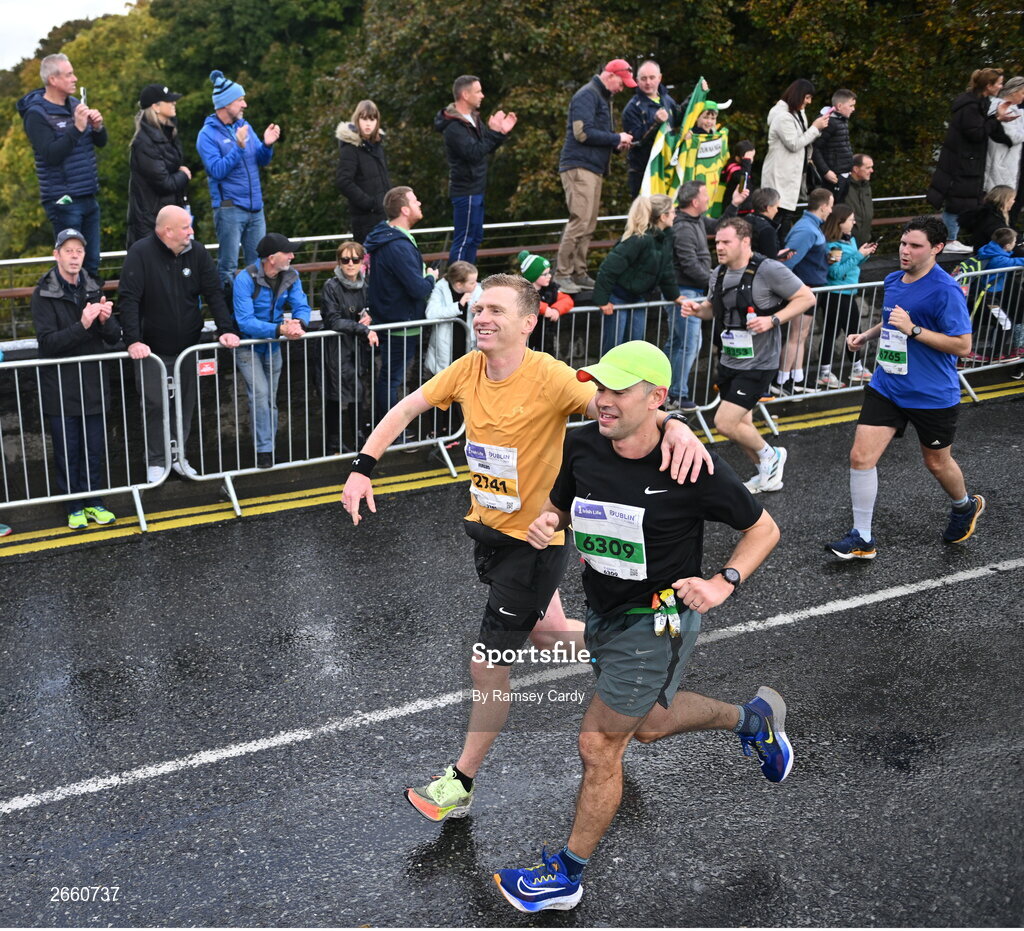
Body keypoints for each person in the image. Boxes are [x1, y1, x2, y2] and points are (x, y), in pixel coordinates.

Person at [341, 273, 710, 826]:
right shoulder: (468, 368)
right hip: (488, 535)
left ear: (527, 322)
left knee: (487, 664)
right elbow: (407, 408)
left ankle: (460, 781)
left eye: (493, 310)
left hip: (534, 543)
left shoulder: (551, 378)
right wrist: (362, 468)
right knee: (547, 636)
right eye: (476, 307)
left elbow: (617, 411)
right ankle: (633, 643)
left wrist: (673, 423)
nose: (480, 316)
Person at [493, 341, 785, 914]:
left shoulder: (692, 466)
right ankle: (752, 721)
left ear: (656, 399)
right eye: (599, 388)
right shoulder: (581, 445)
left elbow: (765, 529)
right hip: (603, 608)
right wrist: (546, 522)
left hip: (659, 619)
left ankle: (567, 876)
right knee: (648, 725)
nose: (602, 401)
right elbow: (560, 504)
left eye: (616, 391)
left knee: (599, 744)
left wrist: (723, 581)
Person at [827, 216, 982, 559]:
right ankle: (862, 538)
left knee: (937, 463)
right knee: (860, 457)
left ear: (937, 249)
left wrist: (913, 330)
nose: (905, 251)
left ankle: (963, 505)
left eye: (915, 246)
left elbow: (962, 346)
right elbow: (892, 317)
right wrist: (866, 336)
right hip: (888, 385)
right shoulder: (893, 279)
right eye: (902, 244)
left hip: (931, 394)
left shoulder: (946, 290)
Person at [681, 217, 815, 493]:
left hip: (760, 362)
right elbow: (712, 309)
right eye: (716, 241)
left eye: (725, 241)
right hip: (730, 358)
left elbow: (806, 297)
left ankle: (772, 455)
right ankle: (766, 473)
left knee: (725, 422)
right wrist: (698, 310)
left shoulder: (769, 270)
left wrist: (773, 320)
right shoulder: (717, 273)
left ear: (745, 242)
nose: (718, 246)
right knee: (742, 424)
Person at [118, 206, 241, 482]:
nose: (191, 232)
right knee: (154, 405)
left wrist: (226, 329)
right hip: (151, 351)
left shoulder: (196, 252)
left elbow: (214, 293)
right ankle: (156, 461)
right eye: (186, 227)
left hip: (187, 348)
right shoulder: (140, 253)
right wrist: (134, 340)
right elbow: (128, 300)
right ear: (167, 231)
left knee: (184, 405)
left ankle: (179, 457)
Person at [30, 228, 121, 528]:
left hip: (93, 383)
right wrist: (82, 325)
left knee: (94, 448)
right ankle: (74, 506)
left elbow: (112, 337)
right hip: (61, 386)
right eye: (68, 250)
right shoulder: (42, 292)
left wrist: (106, 322)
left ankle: (95, 502)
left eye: (79, 250)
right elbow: (48, 344)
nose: (74, 255)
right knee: (68, 451)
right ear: (56, 254)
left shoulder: (94, 286)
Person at [17, 53, 107, 278]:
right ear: (53, 80)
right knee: (71, 267)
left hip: (88, 195)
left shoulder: (75, 105)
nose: (75, 78)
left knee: (92, 262)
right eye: (69, 75)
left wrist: (97, 127)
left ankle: (91, 311)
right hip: (63, 200)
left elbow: (101, 143)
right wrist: (76, 128)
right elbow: (50, 155)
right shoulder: (36, 114)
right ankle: (70, 312)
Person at [555, 60, 636, 294]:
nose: (622, 89)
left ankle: (579, 273)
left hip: (592, 167)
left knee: (588, 224)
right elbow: (582, 133)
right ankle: (562, 275)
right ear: (610, 75)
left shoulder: (601, 97)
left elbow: (595, 134)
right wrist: (614, 138)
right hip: (579, 167)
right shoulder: (587, 95)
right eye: (621, 83)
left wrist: (616, 142)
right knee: (580, 220)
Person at [232, 233, 312, 468]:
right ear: (271, 258)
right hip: (248, 346)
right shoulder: (244, 279)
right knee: (261, 396)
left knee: (270, 399)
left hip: (273, 346)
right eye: (287, 252)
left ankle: (269, 448)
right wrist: (280, 329)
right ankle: (264, 450)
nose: (292, 256)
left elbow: (302, 305)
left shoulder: (291, 275)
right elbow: (244, 321)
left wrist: (300, 323)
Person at [362, 186, 439, 428]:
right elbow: (417, 288)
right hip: (401, 322)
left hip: (393, 318)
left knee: (390, 378)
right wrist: (431, 277)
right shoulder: (398, 245)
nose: (420, 204)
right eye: (415, 201)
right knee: (391, 379)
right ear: (405, 210)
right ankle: (390, 433)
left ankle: (387, 432)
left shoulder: (389, 238)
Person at [196, 69, 280, 289]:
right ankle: (228, 318)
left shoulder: (245, 126)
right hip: (229, 208)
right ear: (226, 104)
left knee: (260, 265)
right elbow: (217, 170)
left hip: (256, 209)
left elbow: (261, 160)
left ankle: (254, 314)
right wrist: (239, 147)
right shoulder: (206, 135)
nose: (245, 105)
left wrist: (267, 145)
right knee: (228, 267)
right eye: (240, 100)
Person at [668, 179, 747, 410]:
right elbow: (689, 265)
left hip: (691, 291)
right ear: (694, 201)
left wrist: (734, 204)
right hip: (686, 293)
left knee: (679, 343)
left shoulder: (696, 220)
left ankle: (668, 391)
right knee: (688, 344)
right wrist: (716, 282)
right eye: (704, 195)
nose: (708, 199)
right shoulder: (682, 227)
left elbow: (719, 226)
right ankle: (676, 394)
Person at [926, 68, 1018, 254]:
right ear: (988, 86)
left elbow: (980, 127)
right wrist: (997, 119)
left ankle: (952, 238)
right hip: (963, 163)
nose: (1001, 86)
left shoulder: (977, 103)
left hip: (969, 162)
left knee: (965, 201)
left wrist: (996, 118)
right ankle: (949, 239)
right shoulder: (970, 106)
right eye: (999, 83)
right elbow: (976, 133)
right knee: (957, 202)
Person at [434, 75, 516, 264]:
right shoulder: (454, 126)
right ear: (465, 94)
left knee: (475, 238)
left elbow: (484, 149)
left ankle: (468, 281)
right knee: (464, 240)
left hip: (477, 188)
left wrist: (500, 134)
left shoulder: (472, 119)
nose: (482, 96)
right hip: (466, 189)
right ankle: (458, 284)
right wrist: (494, 133)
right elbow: (473, 152)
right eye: (478, 91)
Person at [593, 194, 682, 356]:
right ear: (663, 216)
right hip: (618, 298)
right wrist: (602, 301)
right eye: (673, 212)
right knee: (613, 349)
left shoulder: (665, 238)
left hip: (638, 298)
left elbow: (666, 270)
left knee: (636, 347)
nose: (675, 216)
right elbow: (609, 268)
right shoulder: (639, 239)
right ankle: (606, 381)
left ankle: (632, 381)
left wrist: (674, 295)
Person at [320, 241, 379, 454]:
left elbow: (376, 308)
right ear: (339, 262)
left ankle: (359, 439)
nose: (350, 264)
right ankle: (333, 443)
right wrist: (361, 328)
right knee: (336, 395)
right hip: (337, 348)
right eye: (345, 260)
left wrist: (371, 317)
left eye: (355, 259)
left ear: (362, 261)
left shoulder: (367, 284)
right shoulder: (331, 286)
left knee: (360, 393)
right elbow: (332, 320)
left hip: (358, 347)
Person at [776, 187, 834, 395]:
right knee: (796, 335)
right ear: (824, 205)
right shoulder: (806, 229)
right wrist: (796, 288)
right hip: (802, 290)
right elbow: (787, 263)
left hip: (808, 289)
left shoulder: (811, 226)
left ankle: (795, 378)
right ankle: (783, 380)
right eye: (831, 205)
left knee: (801, 335)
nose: (831, 210)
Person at [760, 79, 830, 239]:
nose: (809, 102)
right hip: (780, 174)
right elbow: (794, 143)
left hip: (790, 175)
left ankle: (782, 255)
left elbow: (803, 138)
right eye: (807, 97)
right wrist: (815, 128)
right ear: (798, 96)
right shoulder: (782, 117)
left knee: (786, 216)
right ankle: (777, 255)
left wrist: (816, 129)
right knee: (779, 215)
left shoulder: (797, 114)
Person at [126, 84, 190, 247]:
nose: (174, 103)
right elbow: (164, 183)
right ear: (155, 107)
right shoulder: (144, 142)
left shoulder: (169, 133)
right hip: (151, 221)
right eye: (168, 101)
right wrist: (184, 175)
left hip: (168, 216)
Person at [821, 204, 878, 386]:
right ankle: (848, 370)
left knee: (844, 331)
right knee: (847, 332)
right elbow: (835, 273)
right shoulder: (834, 246)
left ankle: (849, 369)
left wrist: (864, 254)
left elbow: (853, 263)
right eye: (850, 219)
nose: (854, 221)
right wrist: (859, 255)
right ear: (840, 222)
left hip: (847, 292)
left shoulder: (849, 240)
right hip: (837, 293)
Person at [335, 99, 390, 244]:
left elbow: (383, 179)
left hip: (383, 215)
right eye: (364, 118)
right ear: (357, 119)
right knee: (368, 262)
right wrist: (368, 203)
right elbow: (343, 181)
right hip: (365, 219)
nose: (368, 123)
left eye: (372, 119)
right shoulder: (350, 148)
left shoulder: (377, 146)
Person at [621, 59, 678, 199]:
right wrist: (655, 122)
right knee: (643, 217)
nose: (648, 82)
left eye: (652, 78)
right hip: (643, 171)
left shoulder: (668, 100)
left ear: (660, 78)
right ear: (637, 81)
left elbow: (679, 124)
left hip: (668, 169)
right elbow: (636, 141)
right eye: (644, 79)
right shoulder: (632, 108)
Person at [424, 260, 481, 376]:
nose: (476, 284)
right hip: (446, 345)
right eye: (472, 282)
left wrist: (480, 310)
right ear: (459, 284)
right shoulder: (440, 288)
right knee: (446, 379)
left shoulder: (477, 290)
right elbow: (430, 313)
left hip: (468, 344)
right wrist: (458, 306)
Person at [520, 250, 575, 357]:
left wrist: (556, 309)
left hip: (545, 340)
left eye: (549, 273)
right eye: (544, 274)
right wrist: (545, 309)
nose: (549, 276)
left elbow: (567, 300)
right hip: (526, 340)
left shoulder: (551, 289)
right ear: (533, 275)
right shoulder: (522, 290)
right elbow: (526, 300)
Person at [984, 76, 1024, 224]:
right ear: (1013, 92)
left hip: (1007, 165)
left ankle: (1008, 236)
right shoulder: (1002, 107)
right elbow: (1012, 136)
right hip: (1001, 165)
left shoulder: (1012, 109)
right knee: (1001, 206)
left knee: (1008, 205)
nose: (1023, 97)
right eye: (1022, 93)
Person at [811, 89, 856, 200]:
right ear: (839, 106)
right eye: (851, 106)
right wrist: (826, 171)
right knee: (830, 211)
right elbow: (815, 148)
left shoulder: (841, 120)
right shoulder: (828, 122)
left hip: (844, 174)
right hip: (833, 177)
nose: (853, 109)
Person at [957, 184, 1015, 251]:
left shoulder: (988, 215)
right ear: (1005, 200)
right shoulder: (993, 219)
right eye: (1012, 199)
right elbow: (1004, 241)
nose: (1014, 201)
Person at [846, 154, 875, 247]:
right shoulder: (843, 186)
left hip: (864, 241)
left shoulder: (866, 186)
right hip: (847, 242)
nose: (872, 170)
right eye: (868, 168)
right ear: (856, 169)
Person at [748, 187, 784, 258]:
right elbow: (770, 261)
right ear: (768, 208)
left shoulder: (743, 221)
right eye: (776, 207)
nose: (777, 211)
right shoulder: (767, 230)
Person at [720, 139, 755, 209]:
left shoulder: (743, 167)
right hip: (734, 207)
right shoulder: (734, 169)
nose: (752, 160)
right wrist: (747, 162)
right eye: (750, 158)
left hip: (744, 207)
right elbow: (743, 183)